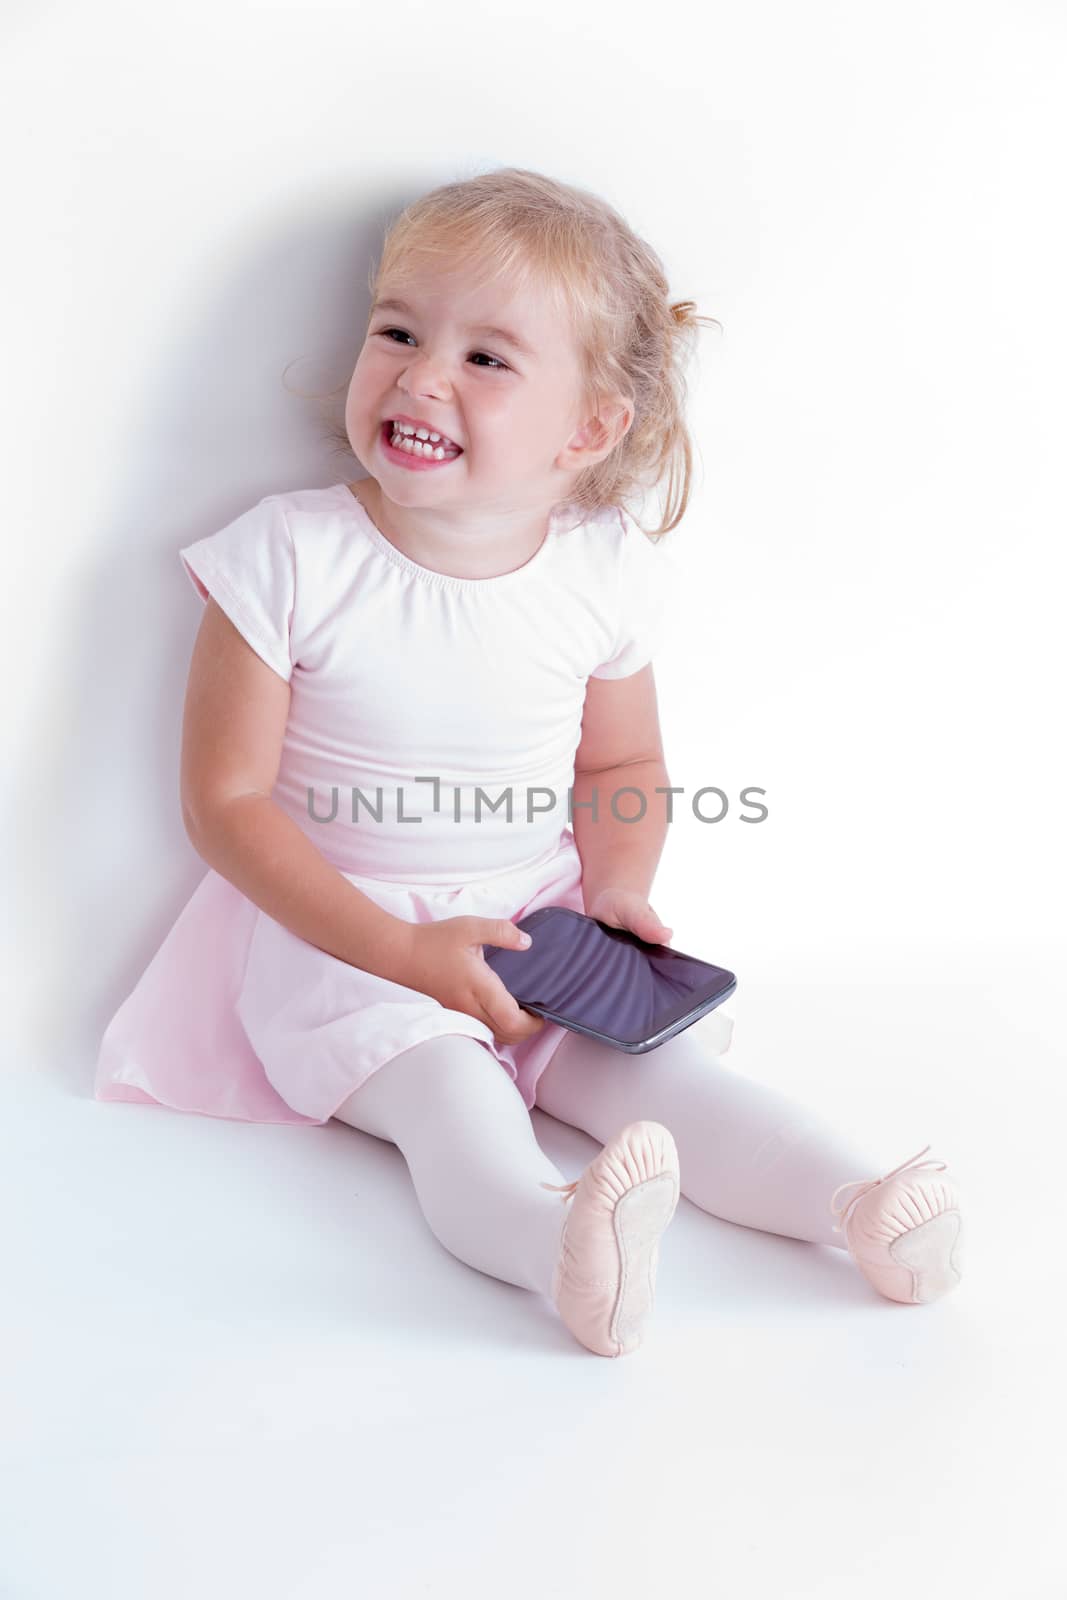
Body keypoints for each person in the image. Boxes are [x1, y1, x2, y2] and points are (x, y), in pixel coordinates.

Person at [96, 167, 964, 1358]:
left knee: (673, 1087)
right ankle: (555, 1246)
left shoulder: (599, 569)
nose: (418, 374)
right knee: (452, 1105)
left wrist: (615, 887)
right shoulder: (291, 556)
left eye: (485, 359)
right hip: (345, 940)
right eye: (396, 331)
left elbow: (621, 758)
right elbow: (225, 804)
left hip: (534, 921)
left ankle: (857, 1203)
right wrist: (402, 952)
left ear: (588, 431)